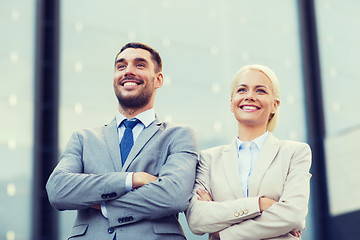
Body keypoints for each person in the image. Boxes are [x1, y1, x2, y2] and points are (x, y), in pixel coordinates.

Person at [46, 42, 198, 240]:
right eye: (121, 66)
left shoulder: (179, 135)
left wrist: (103, 204)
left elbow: (173, 196)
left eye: (140, 65)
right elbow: (58, 189)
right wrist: (132, 179)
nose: (128, 71)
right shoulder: (83, 138)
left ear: (158, 79)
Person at [186, 64, 311, 239]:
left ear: (275, 105)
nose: (250, 96)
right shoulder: (209, 159)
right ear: (232, 102)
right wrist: (259, 204)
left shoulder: (295, 153)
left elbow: (293, 216)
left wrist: (222, 234)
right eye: (242, 90)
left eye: (260, 91)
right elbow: (197, 220)